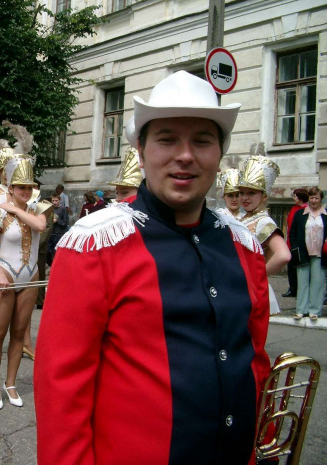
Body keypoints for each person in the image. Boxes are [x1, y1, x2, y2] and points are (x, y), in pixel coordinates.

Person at [34, 71, 272, 464]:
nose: (185, 155)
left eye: (202, 140)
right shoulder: (95, 244)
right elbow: (61, 390)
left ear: (219, 153)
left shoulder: (244, 245)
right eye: (167, 139)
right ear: (142, 153)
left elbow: (255, 362)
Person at [0, 156, 50, 409]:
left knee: (19, 333)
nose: (26, 192)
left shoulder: (39, 210)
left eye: (29, 187)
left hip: (30, 277)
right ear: (11, 188)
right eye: (21, 187)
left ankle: (11, 383)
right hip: (5, 275)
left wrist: (17, 208)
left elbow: (40, 226)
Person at [238, 154, 290, 314]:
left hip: (251, 288)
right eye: (242, 192)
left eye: (251, 193)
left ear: (264, 196)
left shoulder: (263, 222)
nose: (244, 198)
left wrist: (257, 275)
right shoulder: (243, 218)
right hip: (238, 285)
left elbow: (283, 255)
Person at [290, 186, 326, 321]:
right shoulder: (300, 214)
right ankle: (301, 310)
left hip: (320, 253)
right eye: (312, 198)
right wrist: (295, 247)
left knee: (317, 282)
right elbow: (292, 232)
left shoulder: (325, 214)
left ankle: (314, 310)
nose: (314, 201)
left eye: (316, 198)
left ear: (321, 199)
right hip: (303, 252)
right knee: (302, 281)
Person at [283, 188, 309, 298]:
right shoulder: (294, 208)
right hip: (290, 241)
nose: (294, 198)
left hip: (300, 243)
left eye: (295, 196)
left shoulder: (306, 209)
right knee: (291, 267)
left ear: (301, 198)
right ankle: (292, 288)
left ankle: (299, 289)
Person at [46, 193, 68, 265]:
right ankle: (50, 264)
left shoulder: (63, 209)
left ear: (60, 200)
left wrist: (57, 221)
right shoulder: (50, 208)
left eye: (56, 200)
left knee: (57, 252)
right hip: (50, 233)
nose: (54, 202)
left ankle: (57, 265)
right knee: (48, 251)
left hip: (59, 234)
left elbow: (65, 222)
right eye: (53, 201)